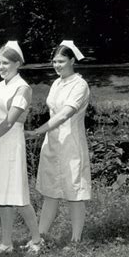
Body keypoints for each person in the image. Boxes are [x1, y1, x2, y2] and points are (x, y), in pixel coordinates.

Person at [26, 40, 91, 244]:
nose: (57, 65)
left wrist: (37, 130)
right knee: (50, 190)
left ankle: (76, 240)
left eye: (61, 61)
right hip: (52, 142)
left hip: (71, 143)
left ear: (72, 60)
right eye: (54, 61)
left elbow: (64, 115)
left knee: (74, 191)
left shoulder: (80, 85)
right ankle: (40, 236)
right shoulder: (56, 83)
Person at [0, 41, 43, 255]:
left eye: (6, 63)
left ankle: (37, 239)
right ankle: (6, 242)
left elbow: (9, 121)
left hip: (10, 141)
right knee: (1, 195)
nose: (1, 67)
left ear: (17, 63)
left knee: (18, 194)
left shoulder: (23, 88)